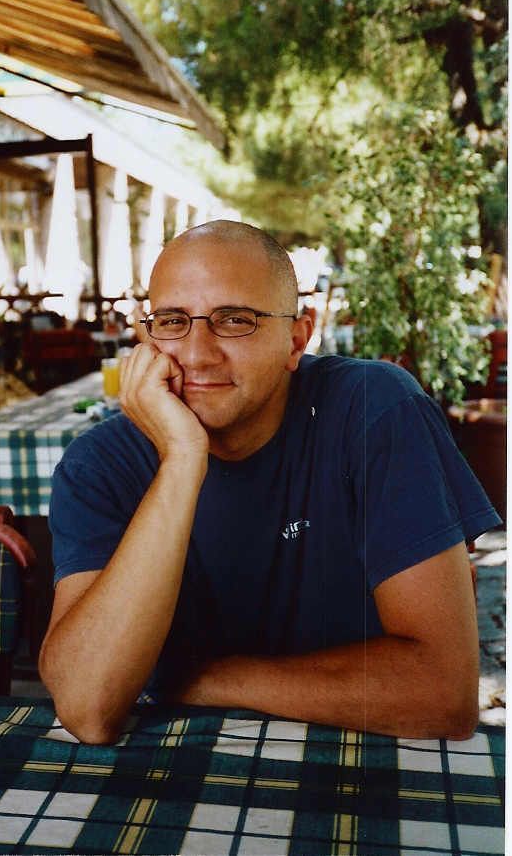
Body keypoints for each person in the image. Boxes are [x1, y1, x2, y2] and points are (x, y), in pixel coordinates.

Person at [40, 220, 501, 745]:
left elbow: (442, 694)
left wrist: (201, 679)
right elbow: (87, 708)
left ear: (296, 339)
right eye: (172, 321)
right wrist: (182, 460)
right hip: (174, 773)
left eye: (235, 320)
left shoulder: (373, 410)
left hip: (360, 762)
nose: (197, 353)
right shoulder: (99, 465)